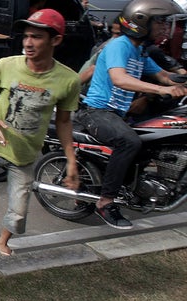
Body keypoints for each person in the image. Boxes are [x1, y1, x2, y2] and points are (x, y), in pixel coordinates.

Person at [0, 9, 81, 256]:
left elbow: (64, 122)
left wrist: (71, 160)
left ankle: (3, 240)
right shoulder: (6, 65)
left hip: (25, 156)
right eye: (26, 36)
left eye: (36, 37)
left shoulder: (68, 80)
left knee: (20, 206)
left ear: (55, 40)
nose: (28, 42)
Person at [75, 0, 187, 229]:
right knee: (129, 141)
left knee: (151, 141)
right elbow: (119, 79)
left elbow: (165, 76)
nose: (165, 28)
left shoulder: (139, 51)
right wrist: (162, 89)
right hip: (97, 112)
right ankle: (105, 203)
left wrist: (177, 81)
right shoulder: (120, 45)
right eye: (161, 22)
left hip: (117, 114)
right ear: (141, 22)